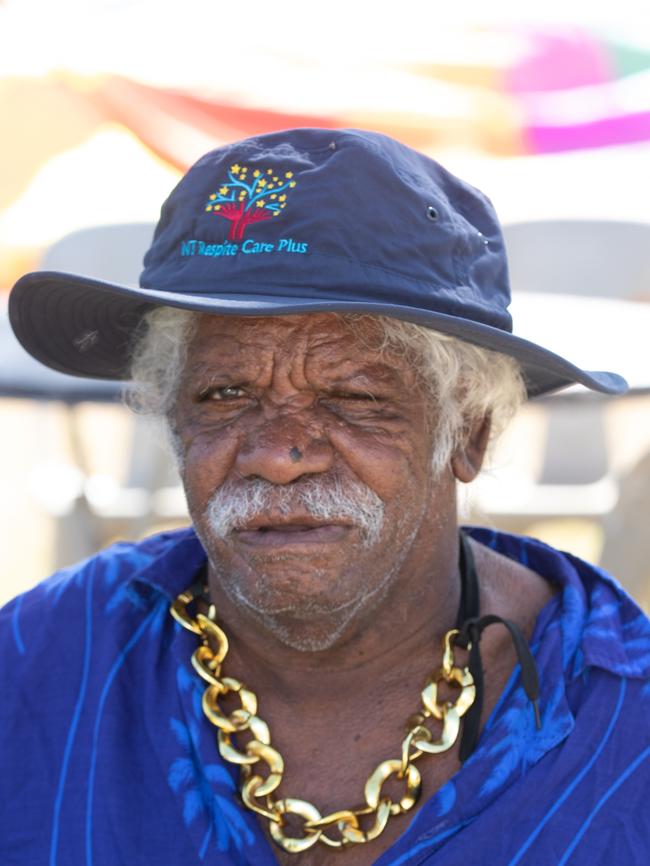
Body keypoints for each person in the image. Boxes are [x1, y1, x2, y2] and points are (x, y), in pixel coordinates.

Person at [2, 128, 648, 866]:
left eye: (352, 396)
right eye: (225, 393)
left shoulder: (621, 726)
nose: (278, 454)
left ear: (467, 433)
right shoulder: (40, 670)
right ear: (175, 420)